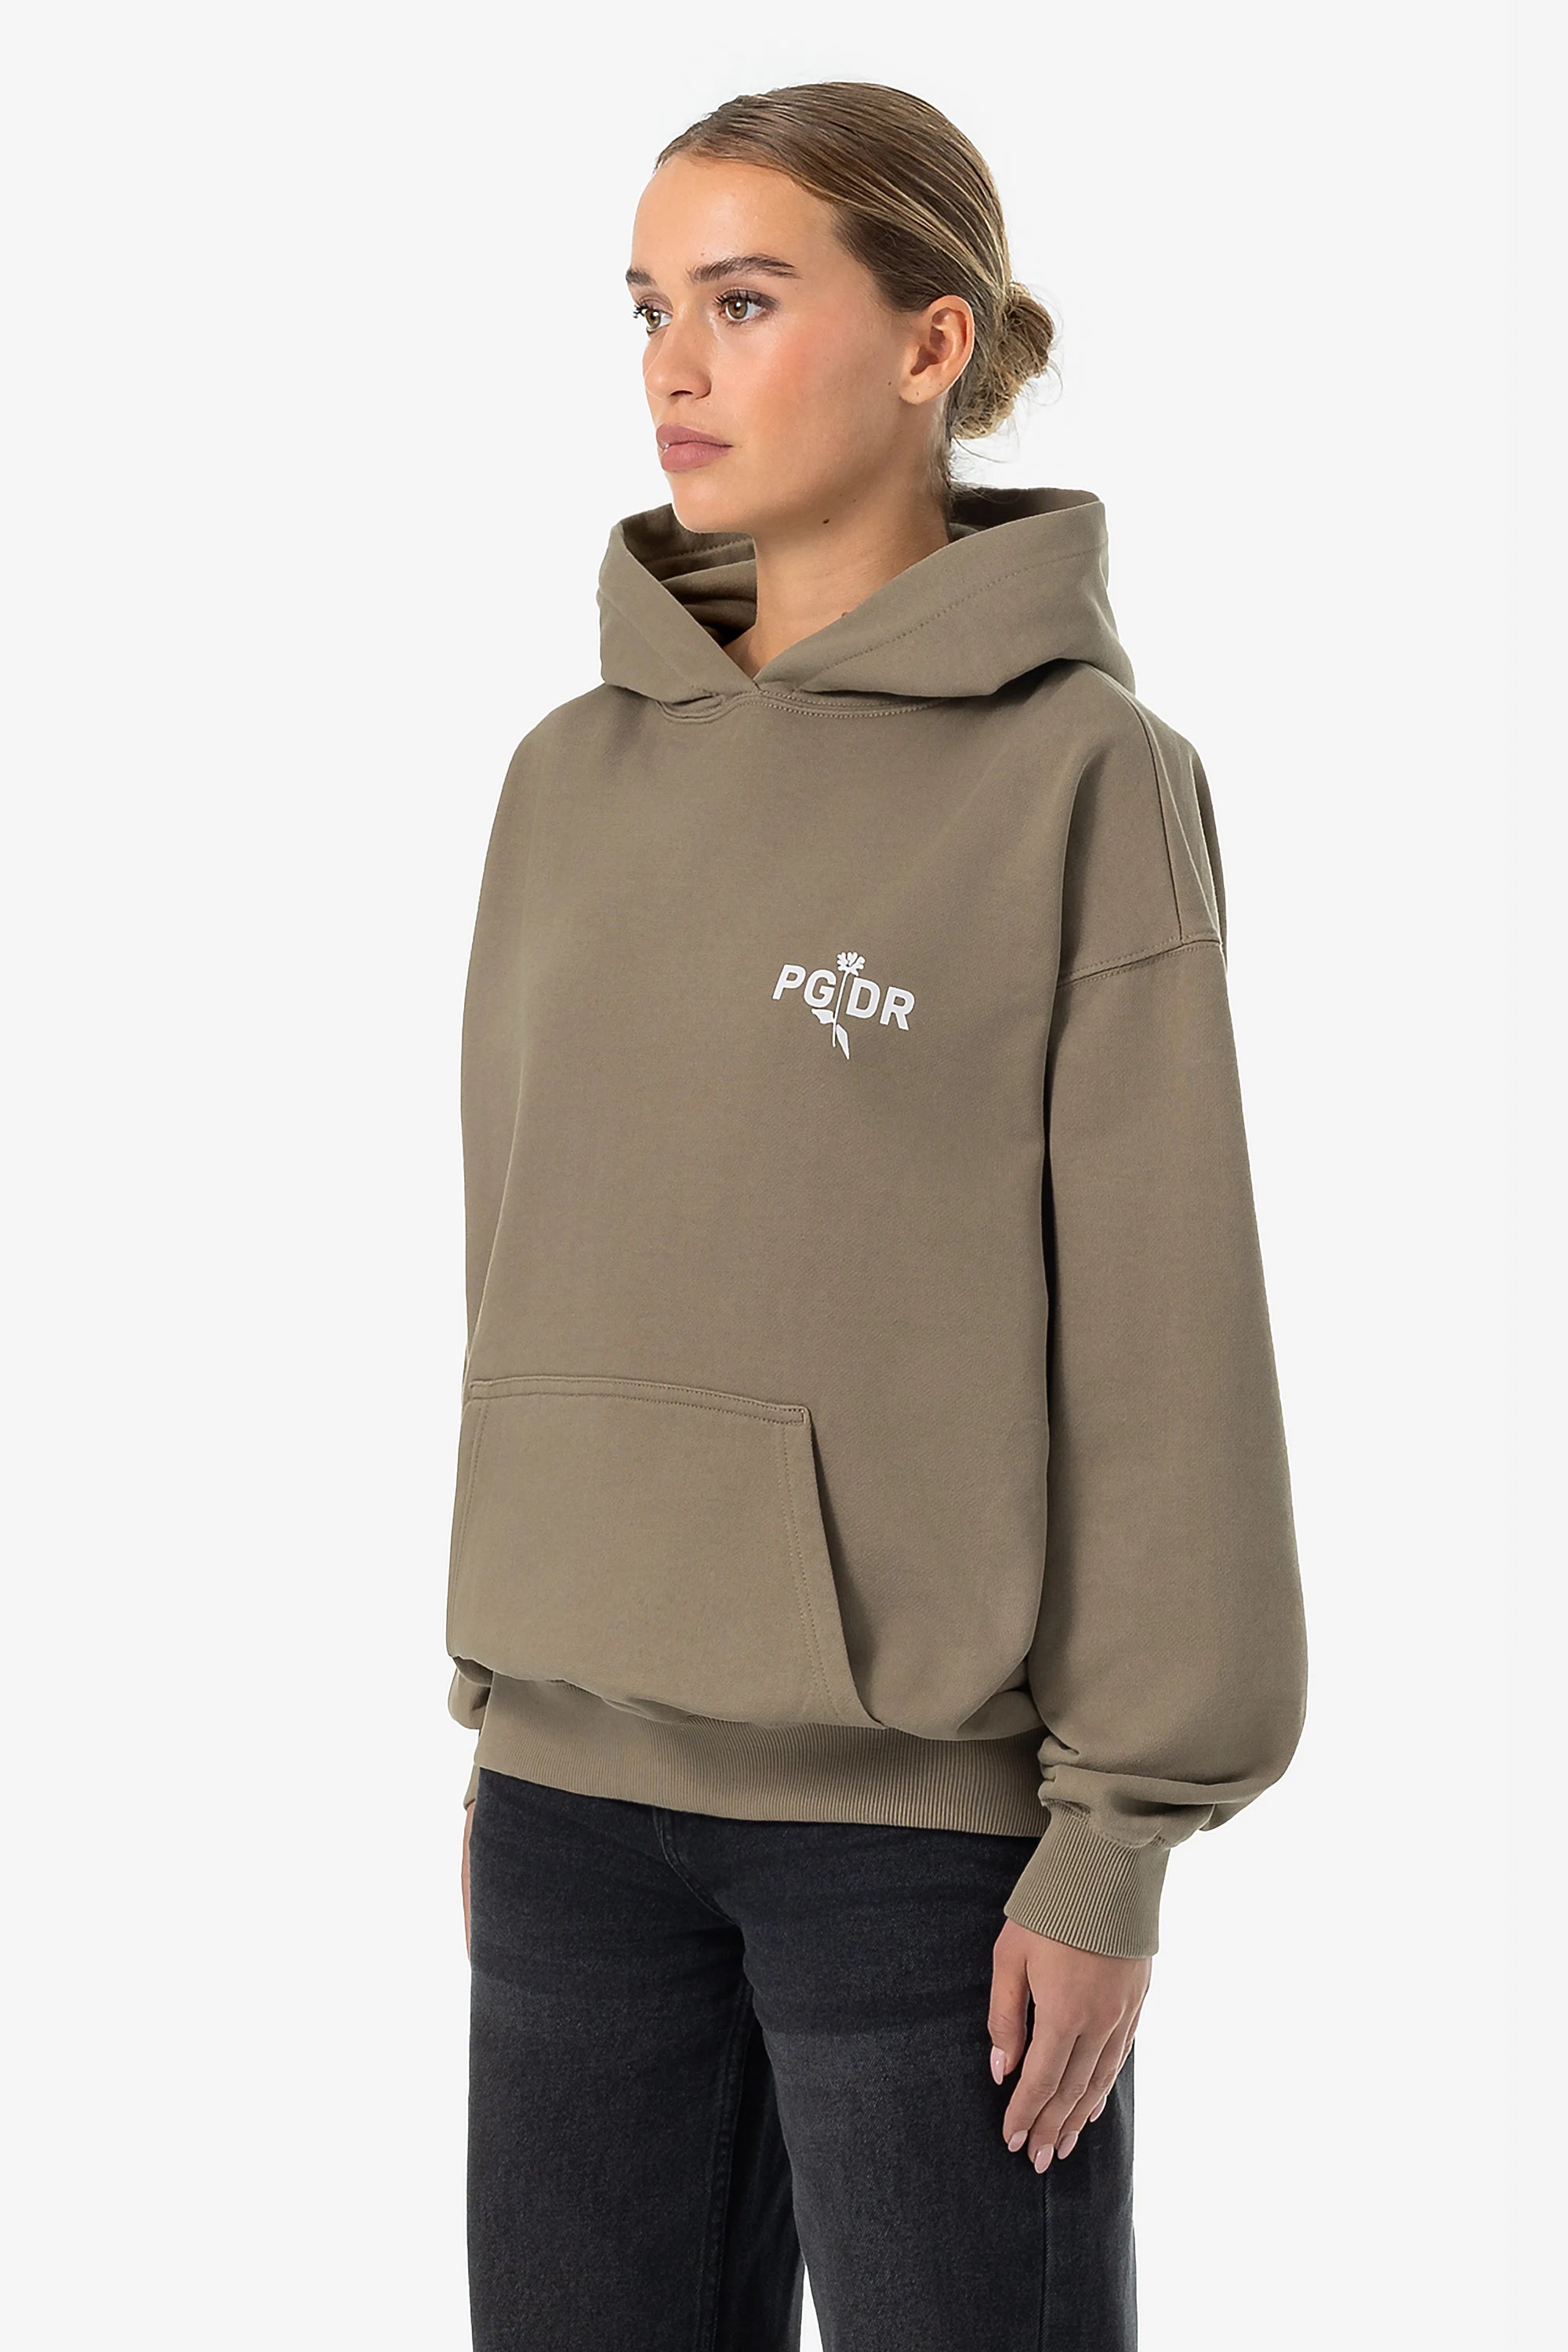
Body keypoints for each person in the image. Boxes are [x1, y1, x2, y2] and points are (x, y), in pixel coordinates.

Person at [445, 79, 1308, 2352]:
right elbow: (523, 1256)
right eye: (650, 307)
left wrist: (1114, 1842)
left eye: (745, 301)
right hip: (568, 1799)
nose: (676, 365)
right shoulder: (567, 775)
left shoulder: (1083, 782)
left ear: (936, 345)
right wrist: (511, 1705)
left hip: (921, 1848)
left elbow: (1166, 1334)